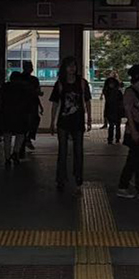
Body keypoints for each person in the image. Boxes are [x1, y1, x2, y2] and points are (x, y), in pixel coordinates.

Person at [49, 55, 92, 192]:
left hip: (78, 121)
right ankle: (61, 178)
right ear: (64, 68)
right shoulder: (60, 83)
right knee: (62, 150)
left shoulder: (82, 83)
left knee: (78, 150)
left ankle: (78, 176)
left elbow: (87, 101)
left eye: (74, 65)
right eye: (69, 66)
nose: (72, 68)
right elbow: (55, 104)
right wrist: (52, 121)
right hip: (64, 121)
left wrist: (89, 118)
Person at [116, 64, 139, 200]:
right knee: (137, 160)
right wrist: (133, 130)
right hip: (135, 128)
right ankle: (136, 187)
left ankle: (129, 186)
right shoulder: (130, 92)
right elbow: (128, 112)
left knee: (135, 159)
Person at [0, 69, 36, 167]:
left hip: (6, 114)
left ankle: (7, 158)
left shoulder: (5, 87)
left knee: (7, 137)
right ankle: (16, 152)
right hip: (21, 115)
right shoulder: (25, 88)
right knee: (20, 134)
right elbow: (30, 103)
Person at [19, 60, 43, 148]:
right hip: (27, 104)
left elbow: (37, 92)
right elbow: (37, 92)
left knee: (32, 121)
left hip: (30, 104)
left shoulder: (32, 79)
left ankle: (27, 138)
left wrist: (40, 105)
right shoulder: (32, 80)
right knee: (30, 122)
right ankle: (27, 138)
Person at [102, 72, 124, 144]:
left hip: (112, 110)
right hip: (115, 110)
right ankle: (115, 139)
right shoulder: (117, 92)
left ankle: (112, 139)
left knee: (113, 125)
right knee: (115, 125)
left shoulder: (107, 92)